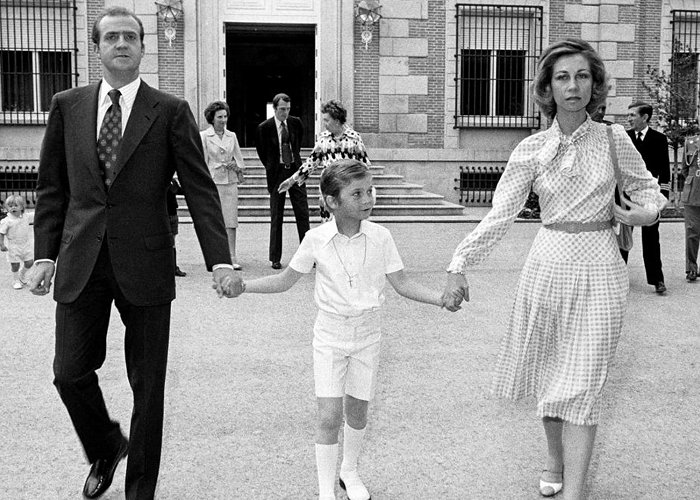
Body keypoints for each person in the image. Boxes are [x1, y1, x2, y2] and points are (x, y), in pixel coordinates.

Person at [29, 7, 242, 499]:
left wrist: (221, 259)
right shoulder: (67, 105)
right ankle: (105, 445)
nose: (121, 44)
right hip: (81, 259)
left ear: (143, 48)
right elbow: (52, 189)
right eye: (111, 37)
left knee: (148, 389)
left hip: (146, 264)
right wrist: (44, 254)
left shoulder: (168, 111)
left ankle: (139, 491)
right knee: (68, 371)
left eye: (130, 37)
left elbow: (199, 186)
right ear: (97, 48)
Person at [442, 39, 666, 500]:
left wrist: (645, 214)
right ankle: (553, 459)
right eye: (562, 77)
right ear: (547, 86)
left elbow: (649, 189)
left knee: (584, 382)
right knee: (552, 373)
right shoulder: (531, 149)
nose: (573, 86)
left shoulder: (614, 138)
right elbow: (499, 214)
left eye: (582, 76)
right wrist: (459, 262)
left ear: (594, 83)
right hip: (547, 267)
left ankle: (575, 493)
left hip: (602, 267)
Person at [236, 160, 461, 500]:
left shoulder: (382, 237)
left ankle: (349, 471)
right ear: (331, 202)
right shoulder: (316, 239)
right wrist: (245, 287)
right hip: (329, 337)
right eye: (357, 193)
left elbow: (402, 283)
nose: (368, 198)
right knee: (329, 415)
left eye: (370, 191)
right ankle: (326, 491)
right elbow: (285, 281)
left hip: (368, 336)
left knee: (357, 410)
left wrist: (441, 299)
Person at [277, 99, 371, 220]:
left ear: (336, 121)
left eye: (327, 120)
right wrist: (291, 181)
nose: (324, 123)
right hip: (329, 192)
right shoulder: (323, 139)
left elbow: (364, 167)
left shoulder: (354, 138)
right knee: (328, 231)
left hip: (350, 191)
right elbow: (310, 163)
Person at [255, 93, 310, 269]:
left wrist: (294, 165)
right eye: (282, 109)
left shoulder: (296, 123)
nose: (285, 112)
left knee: (303, 213)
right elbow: (262, 152)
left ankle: (308, 255)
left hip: (296, 172)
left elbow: (297, 145)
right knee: (276, 216)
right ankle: (275, 258)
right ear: (275, 109)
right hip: (277, 174)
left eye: (287, 109)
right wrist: (273, 167)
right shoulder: (264, 127)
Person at [625, 101, 671, 294]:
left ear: (644, 117)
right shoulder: (625, 138)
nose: (629, 118)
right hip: (627, 196)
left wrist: (663, 198)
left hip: (650, 197)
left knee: (651, 239)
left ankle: (657, 279)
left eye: (632, 115)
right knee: (623, 239)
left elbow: (665, 172)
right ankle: (617, 277)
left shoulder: (659, 139)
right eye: (629, 115)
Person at [200, 100, 245, 270]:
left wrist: (237, 166)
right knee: (214, 221)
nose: (223, 120)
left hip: (230, 182)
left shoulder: (231, 136)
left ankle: (232, 256)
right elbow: (203, 162)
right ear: (212, 118)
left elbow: (240, 160)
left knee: (231, 220)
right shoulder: (204, 136)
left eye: (225, 116)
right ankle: (216, 257)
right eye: (220, 117)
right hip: (213, 182)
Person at [0, 195, 34, 289]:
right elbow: (1, 233)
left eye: (16, 205)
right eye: (10, 206)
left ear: (22, 207)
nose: (13, 207)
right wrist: (2, 244)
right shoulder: (6, 221)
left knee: (29, 262)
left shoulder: (26, 217)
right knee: (15, 264)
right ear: (7, 208)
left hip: (25, 244)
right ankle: (15, 280)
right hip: (13, 245)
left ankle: (22, 275)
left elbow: (37, 214)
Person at [681, 133, 700, 282]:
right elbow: (684, 170)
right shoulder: (690, 142)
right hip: (693, 193)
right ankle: (692, 268)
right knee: (691, 231)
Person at [167, 177, 186, 277]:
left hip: (172, 214)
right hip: (164, 214)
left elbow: (179, 191)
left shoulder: (173, 181)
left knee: (172, 242)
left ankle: (173, 267)